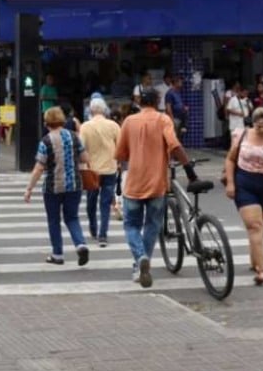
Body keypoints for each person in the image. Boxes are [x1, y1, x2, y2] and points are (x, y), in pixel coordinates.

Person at [114, 89, 200, 288]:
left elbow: (120, 153)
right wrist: (189, 170)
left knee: (131, 226)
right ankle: (143, 262)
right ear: (158, 101)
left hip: (134, 183)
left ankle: (140, 258)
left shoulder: (128, 122)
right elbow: (175, 145)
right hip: (157, 184)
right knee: (152, 225)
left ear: (140, 102)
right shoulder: (163, 120)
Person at [223, 107, 263, 285]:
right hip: (244, 182)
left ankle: (254, 260)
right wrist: (230, 183)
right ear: (253, 124)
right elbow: (230, 159)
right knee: (255, 226)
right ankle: (262, 270)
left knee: (261, 226)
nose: (261, 130)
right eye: (258, 127)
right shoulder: (241, 135)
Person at [23, 106, 90, 266]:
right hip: (74, 184)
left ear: (47, 122)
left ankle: (58, 254)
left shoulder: (45, 141)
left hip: (53, 187)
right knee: (72, 217)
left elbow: (39, 167)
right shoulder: (74, 137)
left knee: (54, 220)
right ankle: (80, 244)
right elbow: (85, 158)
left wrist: (29, 188)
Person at [79, 97, 121, 246]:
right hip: (110, 169)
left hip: (92, 170)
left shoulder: (85, 127)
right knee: (105, 203)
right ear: (104, 110)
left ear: (91, 110)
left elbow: (81, 148)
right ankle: (103, 235)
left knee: (91, 202)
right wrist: (119, 162)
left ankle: (93, 228)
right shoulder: (114, 126)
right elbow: (121, 146)